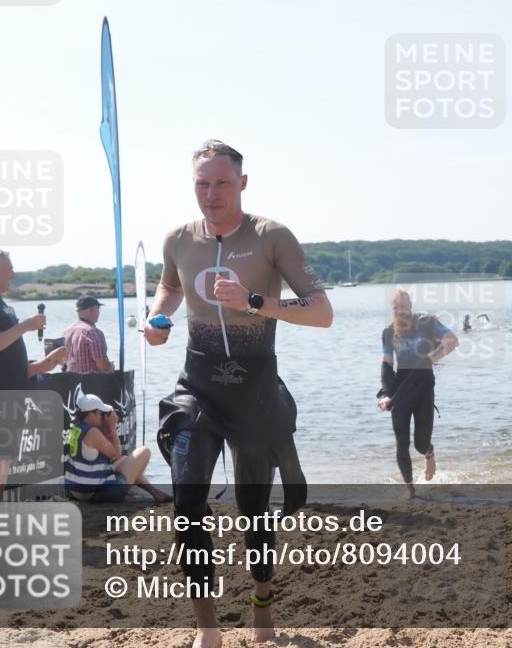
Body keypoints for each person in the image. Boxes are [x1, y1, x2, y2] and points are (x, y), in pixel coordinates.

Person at [143, 139, 332, 647]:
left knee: (254, 513)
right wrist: (157, 319)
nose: (211, 193)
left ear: (242, 183)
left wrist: (255, 301)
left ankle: (262, 609)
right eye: (202, 184)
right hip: (197, 389)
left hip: (255, 391)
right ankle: (208, 631)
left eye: (222, 182)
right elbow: (171, 288)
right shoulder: (178, 239)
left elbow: (321, 311)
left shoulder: (273, 236)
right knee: (186, 507)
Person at [0, 250, 63, 502]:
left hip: (9, 397)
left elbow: (5, 359)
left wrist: (43, 365)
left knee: (1, 463)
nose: (13, 274)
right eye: (9, 269)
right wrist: (26, 326)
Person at [377, 289, 458, 499]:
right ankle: (410, 489)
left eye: (404, 307)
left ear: (410, 307)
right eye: (396, 308)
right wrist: (386, 394)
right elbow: (386, 366)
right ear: (391, 309)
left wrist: (432, 357)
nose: (401, 312)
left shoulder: (426, 322)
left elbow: (451, 340)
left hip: (423, 387)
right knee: (401, 442)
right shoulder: (388, 332)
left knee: (420, 443)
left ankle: (429, 453)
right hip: (400, 389)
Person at [64, 394, 170, 503]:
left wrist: (106, 428)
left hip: (78, 491)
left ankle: (155, 492)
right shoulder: (92, 432)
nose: (103, 416)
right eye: (101, 413)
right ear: (91, 414)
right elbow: (115, 454)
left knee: (124, 460)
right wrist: (112, 426)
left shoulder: (76, 427)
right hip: (96, 494)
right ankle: (156, 493)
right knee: (144, 451)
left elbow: (105, 455)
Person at [63, 295, 115, 373]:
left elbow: (63, 363)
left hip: (71, 383)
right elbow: (103, 366)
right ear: (91, 310)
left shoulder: (66, 332)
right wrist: (111, 366)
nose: (99, 312)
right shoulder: (92, 332)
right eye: (98, 308)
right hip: (91, 383)